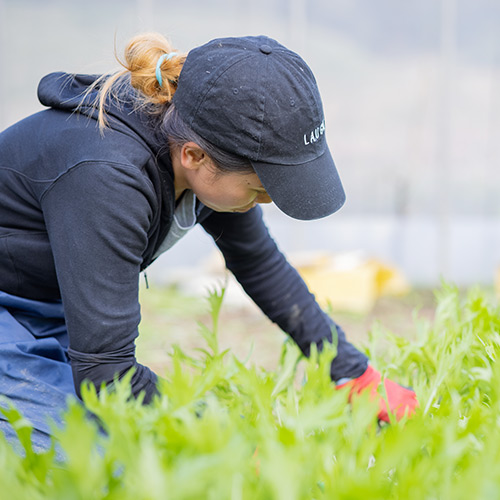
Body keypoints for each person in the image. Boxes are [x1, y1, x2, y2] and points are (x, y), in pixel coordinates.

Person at [0, 32, 418, 453]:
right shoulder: (107, 176)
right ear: (194, 157)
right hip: (11, 307)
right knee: (96, 461)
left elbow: (259, 264)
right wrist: (224, 441)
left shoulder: (197, 142)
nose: (266, 201)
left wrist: (352, 371)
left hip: (50, 307)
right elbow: (106, 374)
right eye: (258, 189)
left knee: (138, 442)